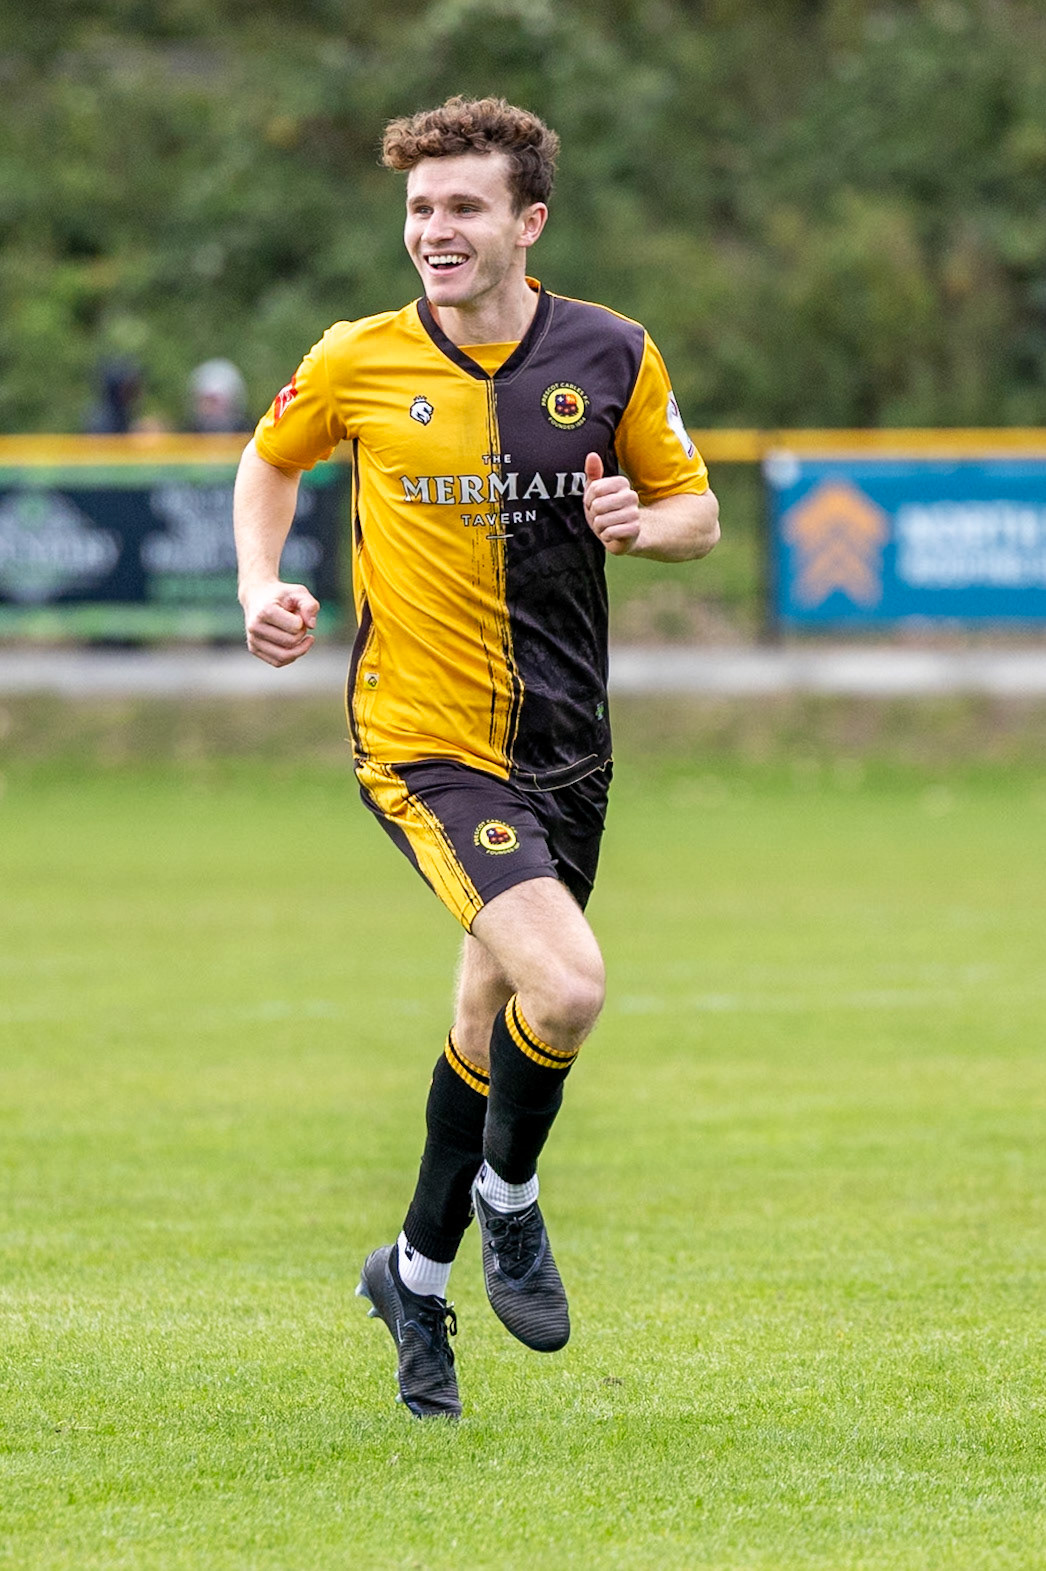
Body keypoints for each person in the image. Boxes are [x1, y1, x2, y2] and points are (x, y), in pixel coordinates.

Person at [233, 95, 719, 1420]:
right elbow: (268, 462)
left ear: (526, 222)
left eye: (461, 208)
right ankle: (509, 1196)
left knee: (479, 1020)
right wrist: (256, 581)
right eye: (417, 210)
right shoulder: (358, 359)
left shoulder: (610, 354)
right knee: (562, 990)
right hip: (424, 741)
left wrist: (639, 521)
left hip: (569, 744)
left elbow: (697, 509)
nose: (433, 231)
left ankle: (413, 1273)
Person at [186, 358, 251, 433]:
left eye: (214, 401)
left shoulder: (249, 436)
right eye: (205, 401)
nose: (208, 407)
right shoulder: (185, 436)